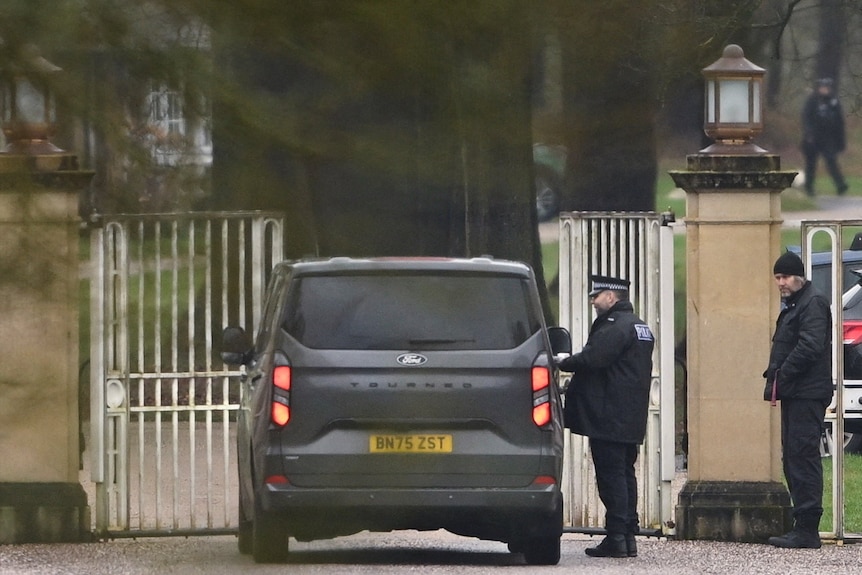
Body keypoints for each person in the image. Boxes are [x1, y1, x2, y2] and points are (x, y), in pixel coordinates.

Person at [557, 275, 654, 558]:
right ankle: (626, 537)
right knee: (625, 474)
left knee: (611, 476)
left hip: (609, 413)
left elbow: (594, 358)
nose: (592, 301)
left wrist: (564, 361)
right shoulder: (639, 326)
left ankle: (616, 537)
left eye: (596, 296)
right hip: (629, 414)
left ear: (611, 297)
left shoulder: (616, 326)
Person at [763, 251, 832, 549]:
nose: (781, 282)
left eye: (786, 276)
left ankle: (807, 528)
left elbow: (810, 345)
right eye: (778, 277)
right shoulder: (796, 303)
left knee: (802, 457)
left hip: (806, 391)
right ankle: (801, 523)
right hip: (796, 391)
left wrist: (783, 373)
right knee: (793, 457)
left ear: (799, 276)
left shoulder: (812, 302)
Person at [801, 77, 848, 196]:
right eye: (822, 87)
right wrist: (809, 133)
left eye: (826, 88)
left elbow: (839, 122)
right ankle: (809, 187)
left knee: (831, 161)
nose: (824, 90)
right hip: (813, 138)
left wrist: (840, 141)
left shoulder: (834, 102)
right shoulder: (813, 100)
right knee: (811, 164)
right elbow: (806, 118)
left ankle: (840, 185)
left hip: (828, 138)